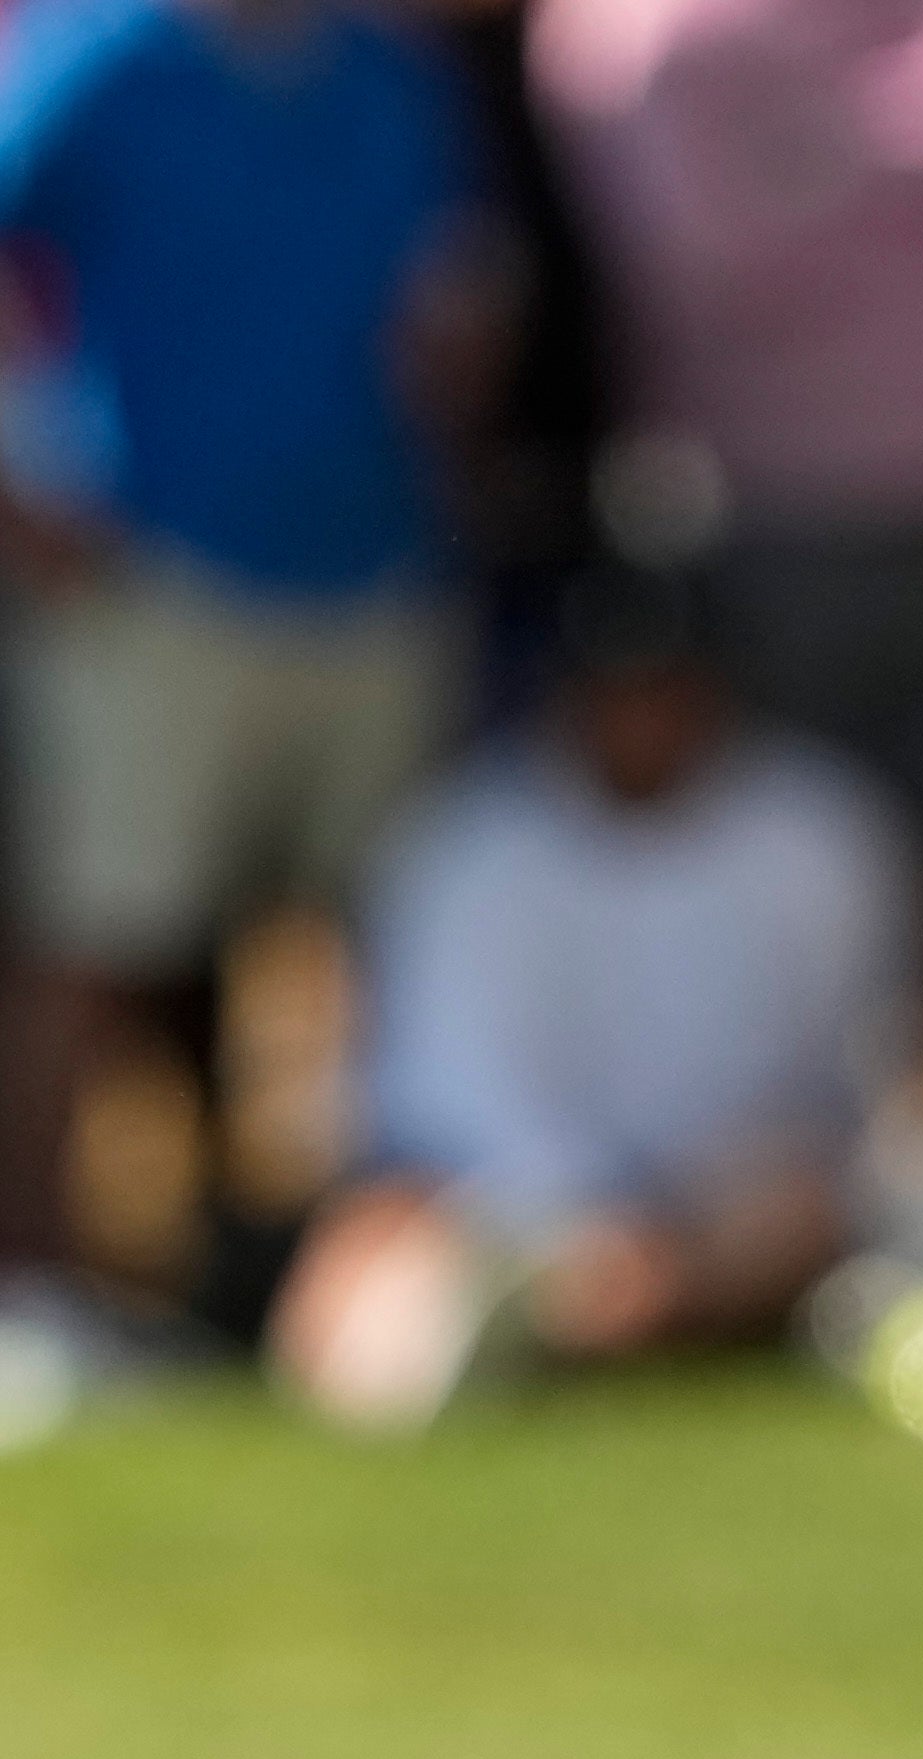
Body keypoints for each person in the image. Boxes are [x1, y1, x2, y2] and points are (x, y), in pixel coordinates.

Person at [528, 0, 923, 1101]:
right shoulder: (632, 24)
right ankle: (807, 1176)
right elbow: (699, 250)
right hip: (753, 512)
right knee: (790, 872)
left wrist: (800, 145)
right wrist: (922, 157)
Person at [0, 0, 486, 1293]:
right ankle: (38, 1288)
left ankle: (338, 1276)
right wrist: (18, 489)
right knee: (99, 951)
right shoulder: (99, 60)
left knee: (376, 954)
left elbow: (454, 286)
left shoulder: (391, 74)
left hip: (379, 570)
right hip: (150, 579)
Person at [270, 570, 920, 1429]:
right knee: (348, 1325)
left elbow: (846, 1064)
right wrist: (582, 1225)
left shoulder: (825, 834)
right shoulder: (463, 851)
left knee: (792, 1218)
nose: (643, 715)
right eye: (617, 690)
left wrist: (664, 1237)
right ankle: (550, 1322)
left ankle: (583, 1328)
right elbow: (450, 1091)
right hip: (491, 1201)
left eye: (665, 687)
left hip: (722, 1198)